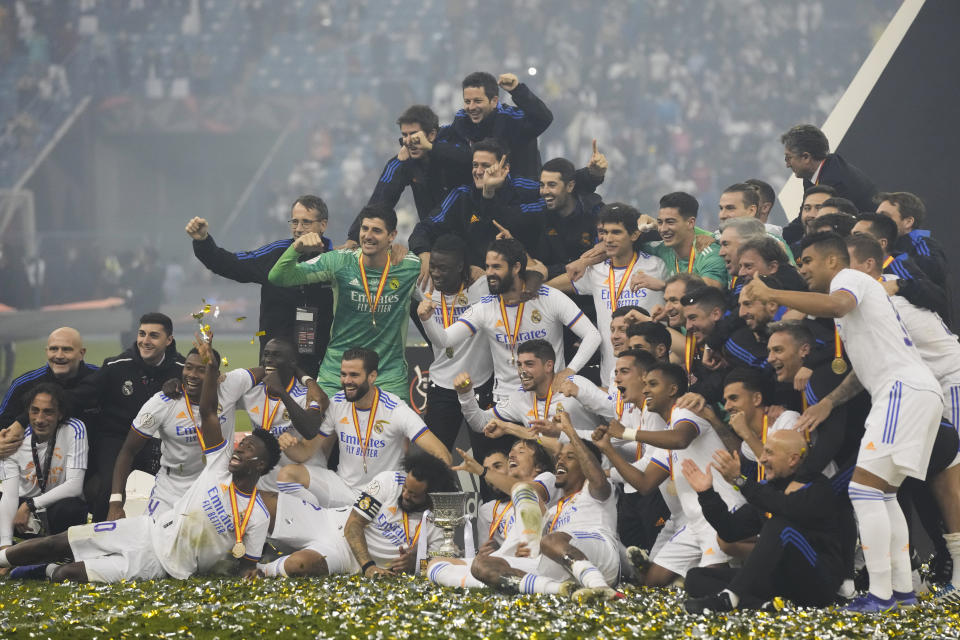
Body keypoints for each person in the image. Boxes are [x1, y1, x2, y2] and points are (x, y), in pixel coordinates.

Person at [744, 231, 943, 612]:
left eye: (807, 261)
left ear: (833, 261)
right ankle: (901, 593)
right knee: (882, 493)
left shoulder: (847, 279)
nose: (801, 269)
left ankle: (882, 596)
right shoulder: (861, 296)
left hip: (902, 392)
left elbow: (835, 305)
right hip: (911, 391)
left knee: (864, 492)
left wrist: (774, 296)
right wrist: (830, 402)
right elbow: (861, 372)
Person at [0, 334, 281, 583]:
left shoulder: (255, 514)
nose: (239, 449)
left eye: (247, 449)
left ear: (260, 465)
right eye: (189, 369)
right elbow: (132, 448)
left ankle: (41, 570)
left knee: (66, 574)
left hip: (162, 558)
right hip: (154, 520)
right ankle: (3, 559)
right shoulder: (176, 414)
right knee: (63, 541)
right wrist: (115, 502)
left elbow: (247, 566)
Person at [600, 363, 744, 586]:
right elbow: (645, 483)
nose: (646, 390)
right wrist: (607, 449)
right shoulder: (666, 434)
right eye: (645, 385)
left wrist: (628, 433)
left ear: (673, 389)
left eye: (653, 384)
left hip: (721, 513)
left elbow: (681, 439)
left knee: (708, 584)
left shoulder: (686, 412)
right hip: (693, 522)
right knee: (652, 583)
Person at [268, 204, 421, 401]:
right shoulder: (338, 262)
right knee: (318, 429)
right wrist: (295, 249)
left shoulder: (409, 266)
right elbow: (278, 277)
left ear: (391, 236)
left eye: (376, 230)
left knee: (395, 431)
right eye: (364, 229)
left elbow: (441, 285)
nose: (368, 236)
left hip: (387, 375)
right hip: (337, 372)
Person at [419, 238, 601, 403]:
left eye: (496, 267)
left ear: (516, 268)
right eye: (487, 266)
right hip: (506, 401)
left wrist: (569, 372)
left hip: (550, 398)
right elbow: (444, 340)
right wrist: (427, 320)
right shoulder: (486, 306)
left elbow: (592, 335)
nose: (489, 273)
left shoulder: (549, 297)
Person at [470, 411, 624, 602]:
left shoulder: (596, 491)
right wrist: (523, 548)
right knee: (482, 565)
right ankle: (560, 590)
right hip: (562, 565)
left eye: (570, 457)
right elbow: (535, 543)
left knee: (551, 540)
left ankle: (601, 589)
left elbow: (597, 478)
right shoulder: (551, 511)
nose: (560, 460)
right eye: (560, 458)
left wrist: (569, 432)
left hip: (601, 554)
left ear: (585, 465)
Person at [682, 430, 843, 612]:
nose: (762, 459)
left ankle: (729, 598)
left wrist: (740, 481)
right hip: (780, 582)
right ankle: (763, 606)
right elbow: (730, 530)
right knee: (695, 577)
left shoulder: (818, 487)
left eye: (770, 453)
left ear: (792, 459)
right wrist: (706, 494)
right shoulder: (768, 489)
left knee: (780, 526)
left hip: (817, 583)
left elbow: (785, 507)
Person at [273, 348, 450, 508]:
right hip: (344, 489)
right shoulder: (337, 403)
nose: (346, 381)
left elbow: (443, 455)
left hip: (384, 495)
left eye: (354, 375)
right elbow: (305, 452)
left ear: (372, 376)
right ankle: (320, 523)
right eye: (343, 374)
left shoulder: (395, 409)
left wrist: (420, 491)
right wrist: (290, 446)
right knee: (288, 474)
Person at [107, 345, 263, 519]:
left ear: (216, 376)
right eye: (188, 367)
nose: (192, 375)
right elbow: (128, 451)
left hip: (216, 487)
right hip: (173, 488)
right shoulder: (162, 402)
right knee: (151, 542)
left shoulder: (229, 385)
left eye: (201, 370)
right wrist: (115, 503)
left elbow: (264, 371)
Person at [186, 195, 334, 374]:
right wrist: (203, 241)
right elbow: (231, 264)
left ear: (323, 225)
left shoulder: (337, 260)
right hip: (275, 363)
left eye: (306, 222)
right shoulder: (276, 253)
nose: (299, 229)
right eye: (294, 222)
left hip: (321, 365)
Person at [258, 451, 455, 578]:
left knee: (298, 565)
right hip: (329, 521)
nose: (405, 495)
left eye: (413, 494)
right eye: (405, 488)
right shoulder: (389, 481)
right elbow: (354, 524)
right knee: (261, 503)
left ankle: (260, 570)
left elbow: (441, 562)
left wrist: (416, 563)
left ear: (431, 497)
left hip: (345, 557)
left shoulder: (440, 519)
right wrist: (368, 566)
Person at [70, 313, 186, 522]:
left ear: (168, 340)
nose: (145, 341)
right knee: (109, 487)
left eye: (153, 336)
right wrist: (22, 421)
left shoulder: (182, 370)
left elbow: (210, 391)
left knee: (181, 481)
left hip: (160, 443)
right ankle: (97, 544)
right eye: (142, 334)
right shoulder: (117, 366)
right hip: (116, 438)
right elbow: (75, 398)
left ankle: (169, 537)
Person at [548, 203, 667, 388]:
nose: (607, 239)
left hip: (651, 372)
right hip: (611, 374)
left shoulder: (657, 266)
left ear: (635, 235)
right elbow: (556, 285)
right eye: (604, 232)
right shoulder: (595, 271)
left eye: (616, 232)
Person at [427, 440, 558, 589]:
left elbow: (525, 490)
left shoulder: (548, 478)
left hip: (532, 560)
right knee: (436, 564)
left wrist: (482, 471)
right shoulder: (495, 507)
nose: (513, 456)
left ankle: (542, 586)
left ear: (538, 467)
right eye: (511, 454)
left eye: (521, 452)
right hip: (504, 561)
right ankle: (492, 583)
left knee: (523, 491)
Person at [407, 138, 543, 272]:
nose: (478, 171)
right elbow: (425, 227)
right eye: (475, 165)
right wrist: (423, 254)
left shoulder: (527, 189)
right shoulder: (462, 195)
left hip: (523, 275)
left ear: (505, 168)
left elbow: (546, 211)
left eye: (486, 166)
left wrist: (489, 193)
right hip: (474, 279)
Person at [455, 339, 611, 452]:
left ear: (548, 365)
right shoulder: (519, 397)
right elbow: (480, 423)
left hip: (593, 465)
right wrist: (465, 395)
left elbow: (614, 413)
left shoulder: (575, 383)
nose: (522, 371)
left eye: (529, 364)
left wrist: (583, 394)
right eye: (519, 365)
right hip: (555, 475)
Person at [415, 234, 494, 452]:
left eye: (444, 268)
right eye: (434, 267)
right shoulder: (422, 286)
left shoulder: (483, 287)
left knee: (487, 458)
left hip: (480, 384)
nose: (437, 274)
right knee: (435, 457)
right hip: (441, 385)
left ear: (460, 266)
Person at [0, 384, 88, 547]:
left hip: (54, 506)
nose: (40, 419)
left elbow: (75, 486)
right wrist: (4, 547)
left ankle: (58, 549)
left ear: (60, 414)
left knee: (72, 507)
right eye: (35, 410)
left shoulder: (74, 429)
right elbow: (10, 495)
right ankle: (11, 544)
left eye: (48, 412)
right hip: (21, 517)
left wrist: (30, 505)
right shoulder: (14, 441)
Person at [238, 337, 327, 493]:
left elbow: (310, 429)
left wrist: (281, 392)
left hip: (302, 477)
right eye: (266, 355)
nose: (269, 360)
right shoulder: (252, 391)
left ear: (292, 362)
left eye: (276, 355)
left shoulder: (306, 394)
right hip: (267, 478)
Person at [0, 328, 98, 457]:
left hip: (90, 464)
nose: (59, 356)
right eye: (53, 349)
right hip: (34, 469)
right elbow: (3, 423)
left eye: (67, 349)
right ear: (46, 351)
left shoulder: (99, 379)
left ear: (81, 353)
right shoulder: (23, 384)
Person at [445, 71, 553, 179]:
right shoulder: (462, 119)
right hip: (481, 191)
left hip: (520, 192)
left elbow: (543, 118)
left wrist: (517, 90)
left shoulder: (512, 118)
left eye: (478, 101)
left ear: (494, 101)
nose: (471, 107)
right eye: (467, 102)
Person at [780, 123, 877, 215]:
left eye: (788, 158)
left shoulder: (837, 181)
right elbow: (803, 218)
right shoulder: (811, 176)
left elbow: (823, 223)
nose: (787, 165)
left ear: (806, 157)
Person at [638, 192, 728, 289]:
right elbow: (627, 244)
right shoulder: (662, 249)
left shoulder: (708, 250)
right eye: (660, 222)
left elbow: (712, 288)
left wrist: (664, 286)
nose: (663, 229)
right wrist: (638, 221)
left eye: (670, 222)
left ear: (690, 223)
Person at [877, 191, 949, 289]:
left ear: (908, 222)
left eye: (885, 216)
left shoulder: (924, 244)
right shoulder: (883, 247)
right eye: (877, 216)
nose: (876, 221)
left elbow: (928, 279)